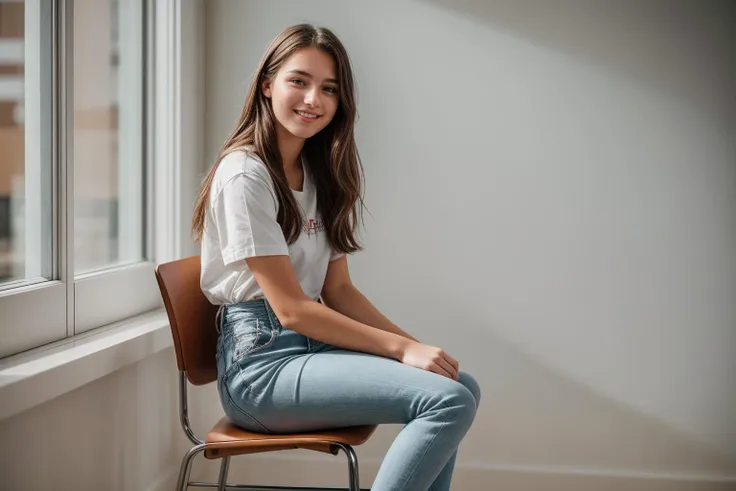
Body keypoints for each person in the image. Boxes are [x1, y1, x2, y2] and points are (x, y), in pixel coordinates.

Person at [192, 24, 480, 491]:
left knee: (460, 386)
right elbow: (291, 310)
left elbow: (338, 291)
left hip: (309, 348)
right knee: (448, 401)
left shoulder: (319, 174)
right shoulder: (244, 175)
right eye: (298, 81)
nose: (313, 99)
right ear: (268, 85)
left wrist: (419, 351)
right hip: (260, 368)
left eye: (329, 88)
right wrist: (403, 350)